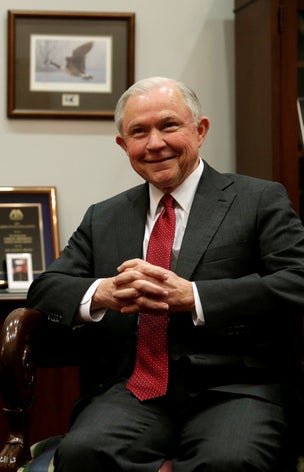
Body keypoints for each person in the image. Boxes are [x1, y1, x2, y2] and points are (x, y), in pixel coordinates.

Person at [27, 76, 304, 471]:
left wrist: (195, 296)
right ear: (124, 146)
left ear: (200, 130)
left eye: (169, 125)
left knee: (227, 462)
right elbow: (46, 288)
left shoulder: (258, 200)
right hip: (135, 391)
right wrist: (103, 292)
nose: (154, 143)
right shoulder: (104, 216)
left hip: (236, 390)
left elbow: (297, 280)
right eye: (139, 132)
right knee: (83, 453)